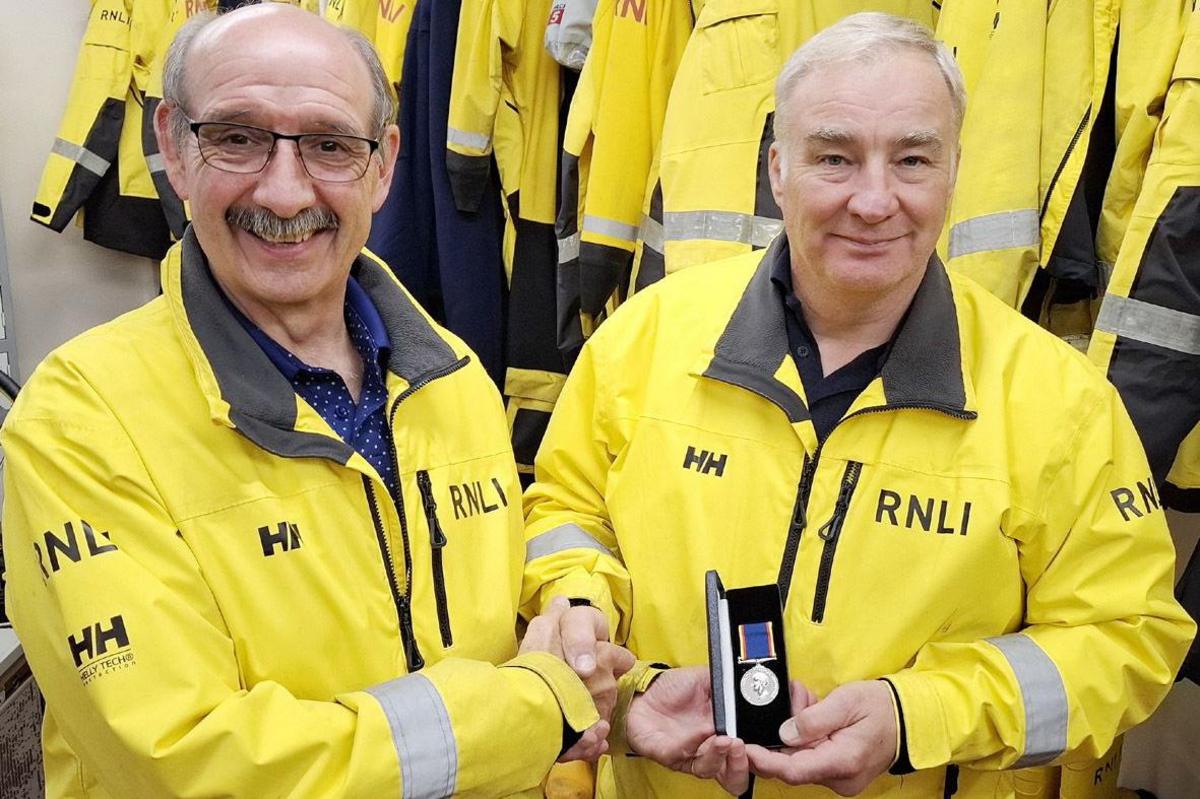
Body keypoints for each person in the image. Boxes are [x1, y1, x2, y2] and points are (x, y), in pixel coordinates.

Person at [521, 12, 1196, 798]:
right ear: (777, 169)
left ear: (955, 170)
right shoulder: (646, 339)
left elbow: (1126, 636)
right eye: (834, 157)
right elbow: (565, 509)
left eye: (912, 159)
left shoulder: (1062, 404)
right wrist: (578, 606)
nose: (875, 201)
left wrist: (916, 716)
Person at [2, 5, 631, 797]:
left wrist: (603, 674)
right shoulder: (80, 422)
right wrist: (540, 710)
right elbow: (185, 761)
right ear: (174, 145)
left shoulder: (452, 376)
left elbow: (502, 617)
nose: (287, 190)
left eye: (331, 145)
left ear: (384, 164)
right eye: (237, 137)